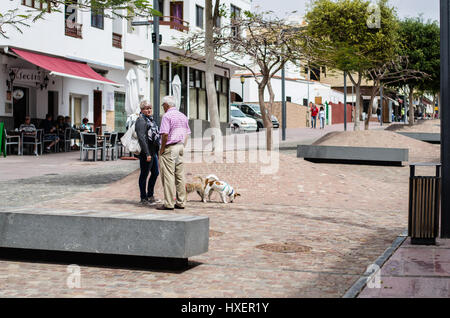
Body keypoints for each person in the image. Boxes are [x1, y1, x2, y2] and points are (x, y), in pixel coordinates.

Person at [157, 96, 191, 210]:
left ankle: (169, 203)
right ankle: (181, 202)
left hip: (170, 147)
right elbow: (187, 133)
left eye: (163, 105)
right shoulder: (182, 116)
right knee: (180, 176)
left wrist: (162, 149)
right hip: (180, 146)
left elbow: (165, 134)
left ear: (166, 105)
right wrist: (182, 145)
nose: (163, 108)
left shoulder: (167, 116)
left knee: (168, 176)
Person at [135, 100, 161, 205]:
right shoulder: (141, 120)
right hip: (146, 152)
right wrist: (147, 153)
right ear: (142, 110)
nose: (149, 110)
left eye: (150, 108)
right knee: (144, 175)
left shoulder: (150, 119)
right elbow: (141, 138)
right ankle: (143, 197)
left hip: (153, 151)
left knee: (155, 173)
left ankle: (150, 195)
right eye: (146, 108)